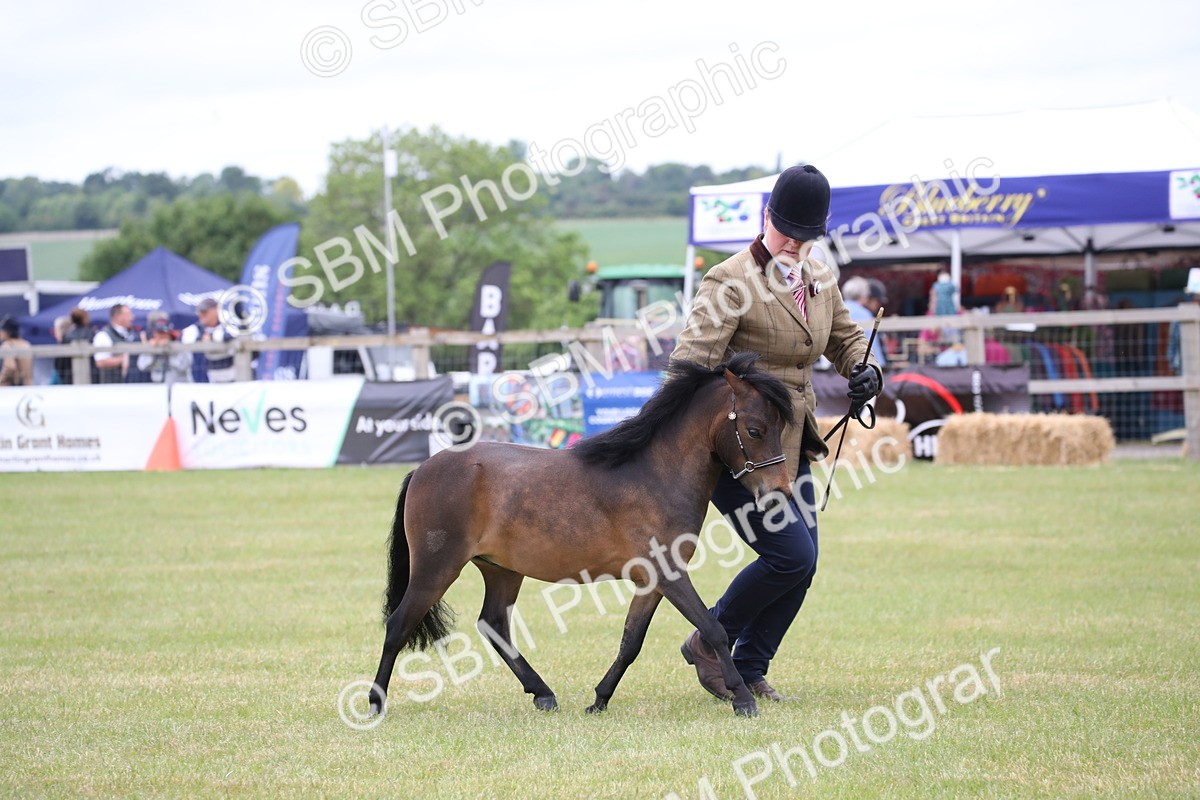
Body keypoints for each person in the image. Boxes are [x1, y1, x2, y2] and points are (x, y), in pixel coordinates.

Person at [671, 164, 882, 703]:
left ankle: (749, 665)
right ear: (767, 216)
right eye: (786, 230)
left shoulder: (820, 277)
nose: (793, 243)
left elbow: (846, 339)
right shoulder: (730, 281)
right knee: (792, 557)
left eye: (805, 236)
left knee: (801, 565)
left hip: (792, 444)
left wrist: (865, 370)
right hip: (738, 451)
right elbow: (689, 365)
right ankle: (710, 639)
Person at [181, 297, 237, 382]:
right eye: (199, 311)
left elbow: (233, 337)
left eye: (204, 311)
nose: (201, 314)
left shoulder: (227, 327)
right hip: (201, 382)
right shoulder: (194, 329)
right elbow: (183, 340)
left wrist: (212, 338)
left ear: (216, 310)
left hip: (229, 379)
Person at [840, 276, 888, 366]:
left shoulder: (837, 310)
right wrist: (881, 365)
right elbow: (872, 345)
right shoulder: (865, 314)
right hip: (861, 363)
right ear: (863, 296)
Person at [137, 312, 193, 385]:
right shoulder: (152, 347)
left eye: (164, 333)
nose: (161, 336)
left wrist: (169, 350)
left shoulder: (180, 346)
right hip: (158, 387)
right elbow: (142, 366)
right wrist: (151, 351)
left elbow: (183, 366)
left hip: (179, 387)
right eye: (159, 333)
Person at [92, 303, 137, 383]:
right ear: (117, 316)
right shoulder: (103, 335)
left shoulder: (132, 334)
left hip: (132, 384)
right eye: (128, 314)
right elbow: (100, 362)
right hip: (112, 386)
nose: (132, 317)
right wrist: (124, 359)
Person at [0, 318, 33, 386]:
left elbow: (10, 366)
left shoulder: (7, 345)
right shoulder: (26, 344)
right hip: (27, 385)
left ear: (8, 332)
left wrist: (1, 379)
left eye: (2, 330)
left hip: (12, 386)